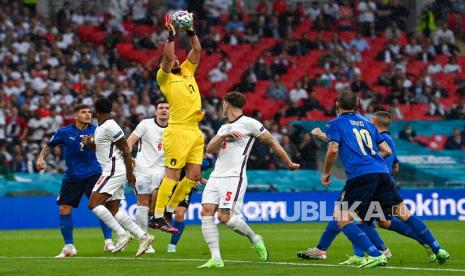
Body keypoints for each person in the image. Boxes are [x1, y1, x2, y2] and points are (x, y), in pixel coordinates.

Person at [298, 93, 449, 267]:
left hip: (361, 175)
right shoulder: (368, 123)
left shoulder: (334, 123)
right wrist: (369, 158)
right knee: (403, 214)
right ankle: (438, 248)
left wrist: (325, 172)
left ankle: (376, 254)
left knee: (342, 219)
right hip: (382, 173)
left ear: (337, 103)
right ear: (357, 103)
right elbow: (385, 150)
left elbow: (333, 149)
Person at [198, 92, 300, 268]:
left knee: (225, 218)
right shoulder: (224, 128)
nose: (221, 107)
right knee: (206, 211)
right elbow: (210, 148)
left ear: (227, 104)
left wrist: (288, 162)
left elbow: (272, 142)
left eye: (223, 103)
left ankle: (254, 238)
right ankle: (216, 259)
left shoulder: (251, 123)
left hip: (234, 177)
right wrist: (223, 137)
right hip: (216, 175)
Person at [149, 13, 204, 233]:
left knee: (195, 175)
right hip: (178, 131)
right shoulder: (165, 78)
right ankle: (158, 216)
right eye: (172, 59)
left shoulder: (187, 71)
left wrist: (190, 30)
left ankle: (169, 210)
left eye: (177, 59)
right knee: (172, 174)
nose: (175, 60)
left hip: (195, 131)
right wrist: (171, 35)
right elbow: (167, 57)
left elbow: (197, 50)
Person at [36, 104, 114, 258]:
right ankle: (69, 247)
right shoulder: (64, 132)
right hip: (72, 176)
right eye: (83, 112)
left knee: (100, 207)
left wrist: (93, 144)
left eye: (89, 112)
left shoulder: (97, 130)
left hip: (94, 173)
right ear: (75, 116)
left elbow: (108, 149)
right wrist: (40, 158)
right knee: (64, 209)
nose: (88, 115)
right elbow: (49, 145)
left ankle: (109, 242)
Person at [84, 98, 154, 257]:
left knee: (93, 204)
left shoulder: (110, 125)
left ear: (96, 111)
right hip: (113, 169)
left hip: (114, 169)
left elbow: (125, 147)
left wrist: (130, 171)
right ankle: (144, 236)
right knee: (112, 209)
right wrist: (90, 142)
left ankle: (122, 235)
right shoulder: (102, 127)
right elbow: (105, 147)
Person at [126, 99, 170, 254]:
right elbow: (129, 141)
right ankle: (145, 240)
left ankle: (136, 230)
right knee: (142, 203)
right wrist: (129, 158)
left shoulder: (175, 128)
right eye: (161, 108)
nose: (164, 110)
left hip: (163, 172)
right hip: (142, 170)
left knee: (154, 208)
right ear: (156, 111)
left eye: (166, 108)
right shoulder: (145, 124)